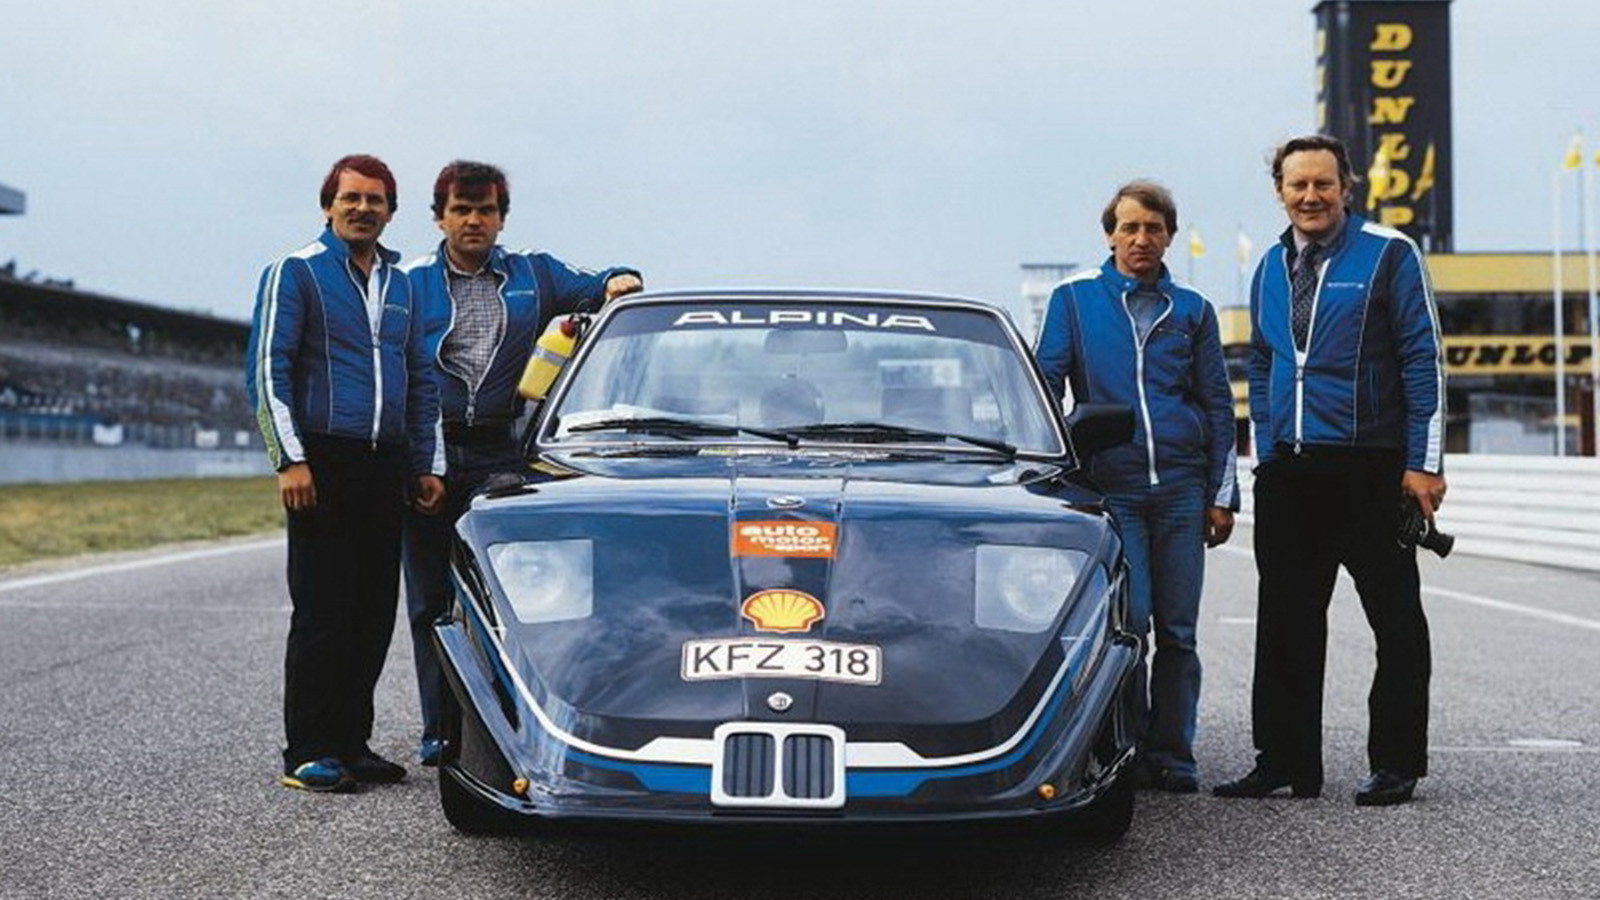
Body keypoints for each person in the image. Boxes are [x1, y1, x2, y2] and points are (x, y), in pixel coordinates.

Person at [1214, 134, 1446, 807]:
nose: (1310, 196)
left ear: (1346, 187)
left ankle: (1395, 763)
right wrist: (1267, 446)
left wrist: (1424, 462)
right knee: (1284, 621)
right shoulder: (1269, 264)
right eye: (1298, 185)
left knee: (1396, 621)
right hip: (1290, 472)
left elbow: (1423, 359)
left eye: (1323, 184)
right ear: (1280, 192)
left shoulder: (1389, 253)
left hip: (1372, 470)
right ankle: (1284, 761)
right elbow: (1262, 360)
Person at [400, 160, 642, 766]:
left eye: (485, 210)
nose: (473, 221)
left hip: (503, 453)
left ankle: (512, 724)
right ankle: (440, 730)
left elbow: (601, 282)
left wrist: (621, 279)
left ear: (502, 219)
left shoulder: (533, 272)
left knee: (511, 597)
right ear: (439, 218)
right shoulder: (408, 283)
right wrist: (416, 459)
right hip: (432, 450)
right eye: (461, 210)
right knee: (431, 599)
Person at [246, 154, 447, 792]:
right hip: (323, 459)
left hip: (385, 462)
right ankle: (309, 749)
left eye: (375, 200)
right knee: (323, 608)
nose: (363, 209)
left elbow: (421, 380)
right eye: (351, 197)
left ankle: (352, 743)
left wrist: (426, 464)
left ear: (391, 211)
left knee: (372, 610)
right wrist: (290, 458)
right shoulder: (296, 271)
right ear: (328, 204)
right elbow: (267, 371)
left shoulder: (403, 285)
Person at [1034, 180, 1239, 794]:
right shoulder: (1074, 300)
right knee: (1133, 621)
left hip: (1181, 490)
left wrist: (1221, 495)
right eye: (1129, 228)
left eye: (1153, 228)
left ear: (1169, 236)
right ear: (1110, 235)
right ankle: (1122, 749)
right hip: (1111, 490)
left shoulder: (1193, 311)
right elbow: (1045, 387)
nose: (1141, 239)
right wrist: (1055, 477)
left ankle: (1173, 754)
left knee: (1179, 631)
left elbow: (1218, 404)